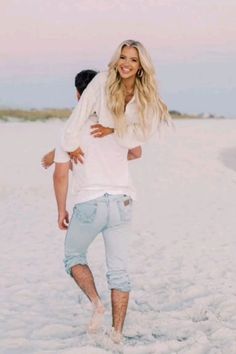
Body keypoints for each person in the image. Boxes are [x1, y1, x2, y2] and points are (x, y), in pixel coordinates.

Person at [55, 39, 170, 344]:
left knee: (73, 256)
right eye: (123, 57)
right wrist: (115, 132)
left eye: (132, 59)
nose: (126, 63)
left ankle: (96, 304)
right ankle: (117, 334)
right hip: (122, 202)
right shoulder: (116, 112)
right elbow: (136, 151)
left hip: (91, 202)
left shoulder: (81, 124)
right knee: (119, 270)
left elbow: (60, 171)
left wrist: (60, 209)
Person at [41, 70, 98, 169]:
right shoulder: (110, 117)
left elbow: (61, 175)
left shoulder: (75, 125)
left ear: (78, 94)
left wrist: (58, 153)